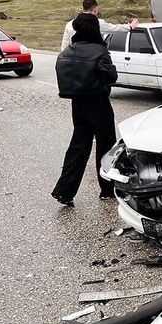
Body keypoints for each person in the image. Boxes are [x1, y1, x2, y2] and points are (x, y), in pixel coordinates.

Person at [51, 13, 118, 207]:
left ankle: (64, 191)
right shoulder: (99, 50)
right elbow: (110, 76)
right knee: (106, 147)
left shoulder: (69, 49)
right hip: (98, 102)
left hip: (77, 104)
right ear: (93, 28)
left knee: (78, 147)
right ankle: (107, 189)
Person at [60, 0, 139, 52]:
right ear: (95, 9)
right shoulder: (97, 23)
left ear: (83, 8)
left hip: (73, 57)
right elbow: (114, 28)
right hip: (90, 57)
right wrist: (130, 27)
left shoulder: (69, 24)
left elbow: (64, 45)